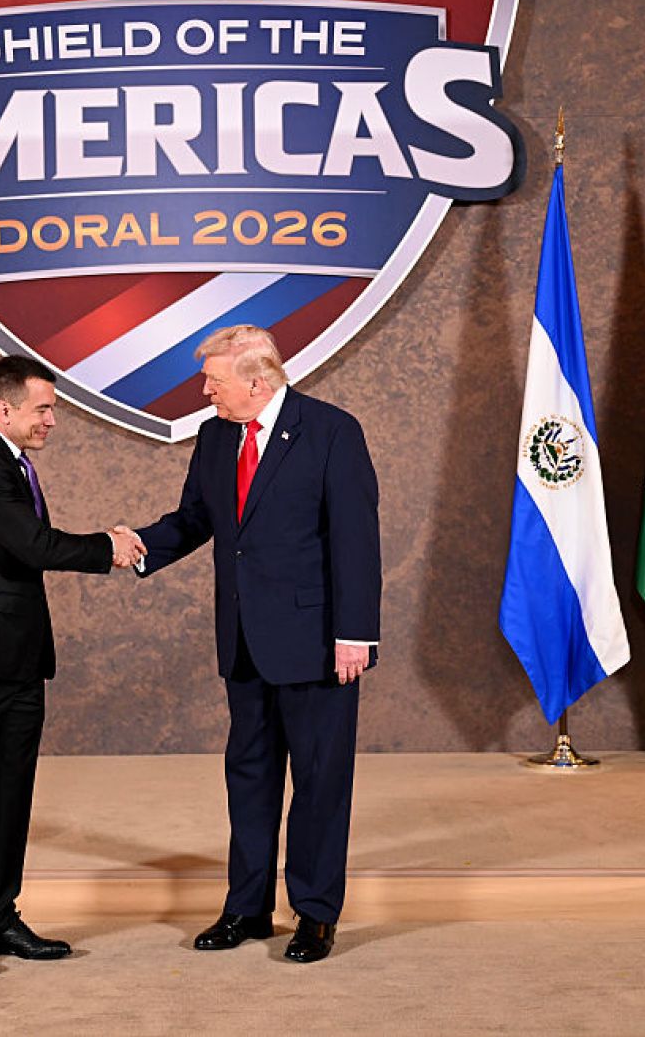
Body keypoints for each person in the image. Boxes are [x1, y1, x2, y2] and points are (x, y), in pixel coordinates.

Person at [133, 325, 380, 963]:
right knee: (248, 776)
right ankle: (246, 908)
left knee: (320, 780)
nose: (205, 391)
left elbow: (355, 538)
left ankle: (315, 913)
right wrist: (134, 546)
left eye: (213, 380)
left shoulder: (331, 431)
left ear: (257, 381)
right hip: (244, 641)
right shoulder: (216, 437)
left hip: (318, 644)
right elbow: (195, 519)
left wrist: (355, 635)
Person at [0, 355, 144, 977]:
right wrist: (107, 548)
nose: (52, 420)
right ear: (5, 408)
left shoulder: (12, 465)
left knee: (10, 794)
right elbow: (33, 545)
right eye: (43, 409)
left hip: (18, 661)